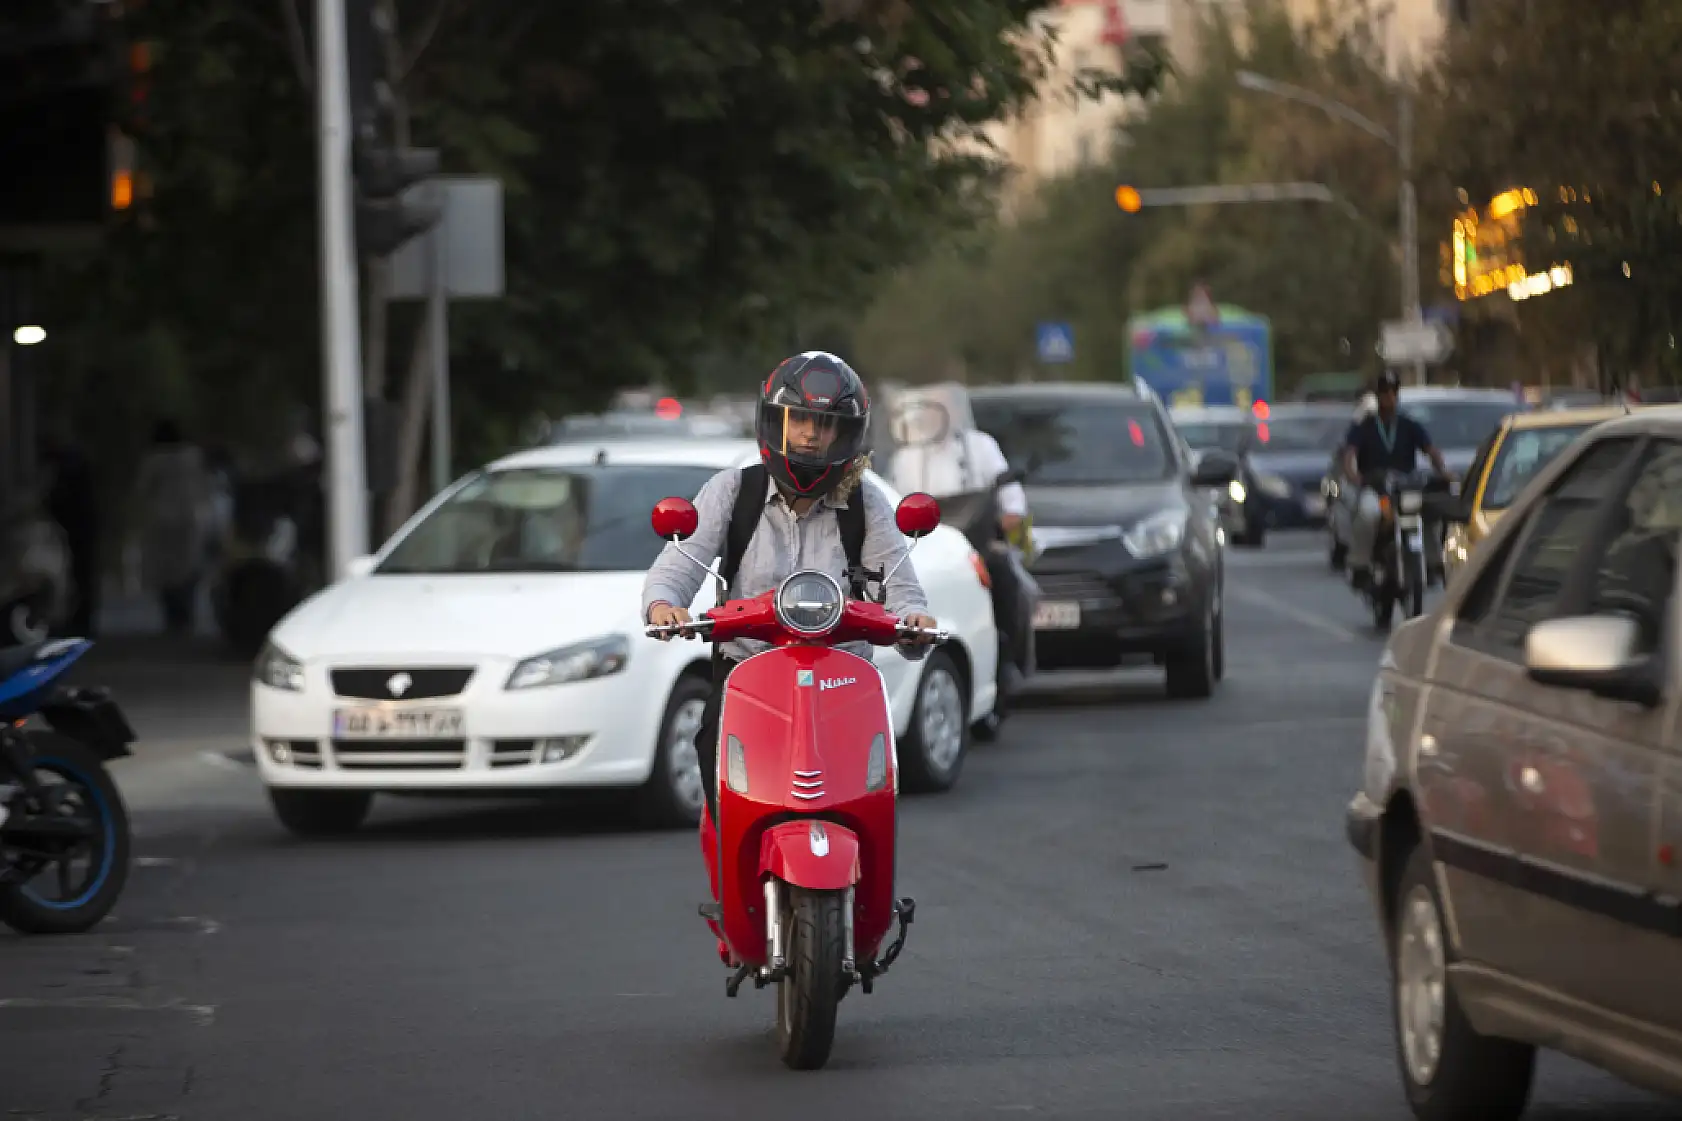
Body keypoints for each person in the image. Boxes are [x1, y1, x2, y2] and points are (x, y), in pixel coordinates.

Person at [643, 352, 938, 837]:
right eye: (798, 418)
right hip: (747, 676)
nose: (809, 433)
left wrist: (914, 621)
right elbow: (676, 567)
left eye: (825, 423)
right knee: (713, 758)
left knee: (875, 788)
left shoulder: (866, 502)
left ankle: (873, 896)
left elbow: (901, 590)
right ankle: (734, 887)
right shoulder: (731, 491)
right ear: (773, 422)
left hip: (844, 683)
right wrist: (664, 605)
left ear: (846, 433)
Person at [1341, 370, 1450, 584]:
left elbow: (1430, 451)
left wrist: (1442, 471)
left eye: (1392, 393)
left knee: (1427, 514)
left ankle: (1432, 561)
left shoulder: (1409, 425)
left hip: (1405, 488)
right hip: (1376, 489)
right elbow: (1349, 454)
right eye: (1384, 393)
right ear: (1378, 396)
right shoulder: (1365, 427)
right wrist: (1353, 475)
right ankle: (1360, 565)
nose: (1388, 397)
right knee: (1368, 514)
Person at [132, 419, 215, 634]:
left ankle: (172, 616)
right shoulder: (193, 457)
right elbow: (204, 487)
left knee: (165, 570)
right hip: (190, 519)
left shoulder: (153, 460)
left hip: (161, 520)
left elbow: (142, 490)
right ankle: (186, 613)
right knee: (187, 568)